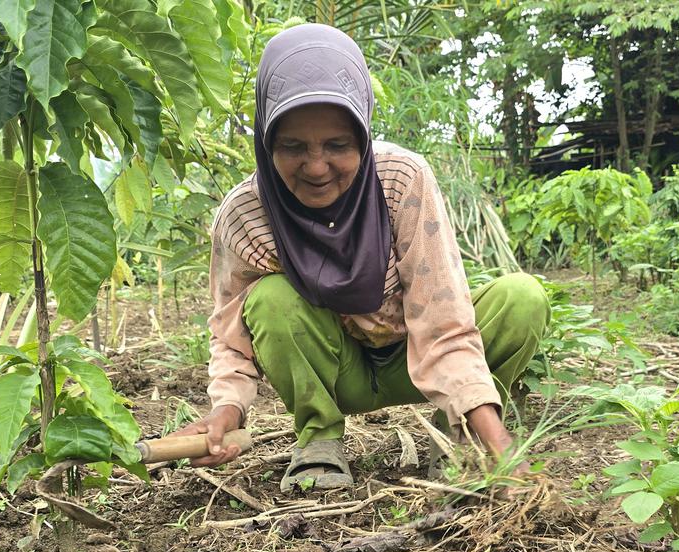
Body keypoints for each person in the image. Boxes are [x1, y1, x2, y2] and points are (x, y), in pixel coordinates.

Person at [173, 23, 551, 492]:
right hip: (337, 371)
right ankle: (318, 439)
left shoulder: (400, 180)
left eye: (338, 145)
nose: (316, 167)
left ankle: (461, 438)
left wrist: (501, 447)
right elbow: (231, 335)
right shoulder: (246, 215)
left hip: (416, 356)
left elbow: (444, 320)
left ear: (364, 135)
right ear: (266, 142)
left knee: (521, 298)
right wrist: (225, 414)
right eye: (292, 146)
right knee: (270, 298)